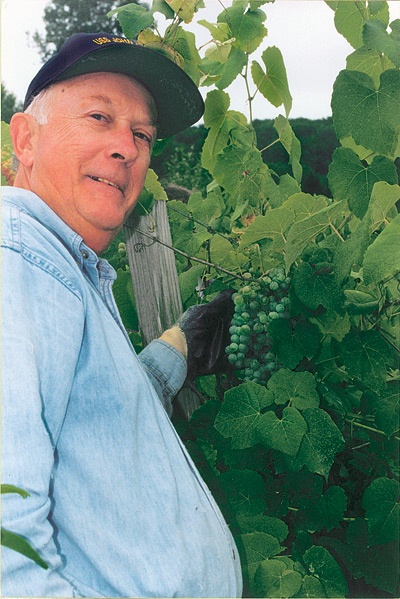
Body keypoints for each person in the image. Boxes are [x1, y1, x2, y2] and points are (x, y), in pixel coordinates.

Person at [2, 32, 242, 598]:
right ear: (25, 139)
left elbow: (96, 420)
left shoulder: (64, 271)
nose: (127, 148)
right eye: (98, 117)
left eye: (141, 135)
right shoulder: (20, 262)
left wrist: (177, 347)